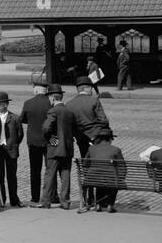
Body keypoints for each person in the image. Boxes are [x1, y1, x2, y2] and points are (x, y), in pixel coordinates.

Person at [65, 78, 111, 209]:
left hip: (81, 140)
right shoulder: (94, 100)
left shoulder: (69, 104)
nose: (92, 90)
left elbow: (70, 125)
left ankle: (87, 198)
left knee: (86, 167)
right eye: (91, 87)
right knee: (98, 167)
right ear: (85, 88)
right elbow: (103, 120)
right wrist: (95, 132)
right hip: (95, 139)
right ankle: (99, 198)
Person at [41, 89, 77, 209]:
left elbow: (46, 127)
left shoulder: (53, 111)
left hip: (55, 148)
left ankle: (46, 201)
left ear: (52, 98)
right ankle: (65, 202)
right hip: (67, 148)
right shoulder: (69, 111)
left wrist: (49, 137)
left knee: (50, 175)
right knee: (65, 175)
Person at [21, 84, 55, 206]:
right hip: (48, 140)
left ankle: (35, 197)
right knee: (50, 169)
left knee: (35, 170)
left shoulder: (28, 102)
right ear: (45, 91)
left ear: (35, 91)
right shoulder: (50, 102)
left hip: (33, 140)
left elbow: (23, 119)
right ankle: (52, 195)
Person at [80, 128, 126, 214]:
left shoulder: (91, 148)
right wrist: (121, 177)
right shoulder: (116, 150)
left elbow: (85, 163)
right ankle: (110, 205)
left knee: (98, 181)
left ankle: (98, 204)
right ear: (110, 139)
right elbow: (122, 166)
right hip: (110, 179)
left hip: (92, 179)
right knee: (112, 181)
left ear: (99, 139)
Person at [0, 92, 24, 207]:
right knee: (0, 176)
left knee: (12, 176)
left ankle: (14, 199)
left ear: (5, 104)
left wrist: (13, 144)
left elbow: (20, 135)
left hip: (11, 150)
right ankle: (2, 199)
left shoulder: (15, 118)